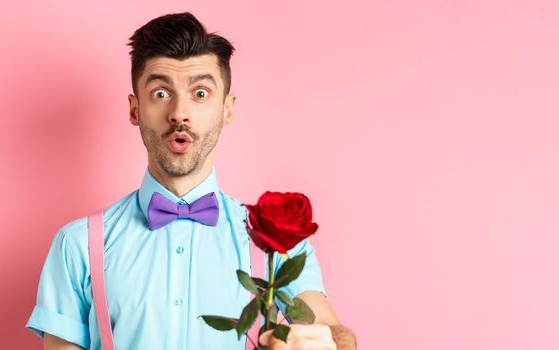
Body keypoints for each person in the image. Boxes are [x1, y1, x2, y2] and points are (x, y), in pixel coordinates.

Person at [26, 12, 357, 350]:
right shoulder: (77, 246)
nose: (179, 113)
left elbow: (333, 331)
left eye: (200, 93)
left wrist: (328, 344)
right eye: (159, 93)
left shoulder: (274, 242)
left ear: (227, 108)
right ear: (135, 109)